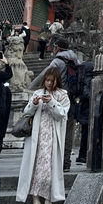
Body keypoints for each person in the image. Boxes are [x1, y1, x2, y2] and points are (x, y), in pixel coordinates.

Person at [16, 69, 70, 204]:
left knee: (47, 170)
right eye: (47, 80)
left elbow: (62, 114)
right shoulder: (37, 93)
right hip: (36, 136)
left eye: (52, 81)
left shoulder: (62, 95)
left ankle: (48, 200)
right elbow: (26, 112)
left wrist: (51, 102)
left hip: (52, 136)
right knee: (33, 168)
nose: (49, 84)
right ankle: (35, 202)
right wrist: (34, 104)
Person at [30, 37, 80, 171]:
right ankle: (66, 162)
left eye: (54, 47)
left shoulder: (57, 61)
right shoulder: (75, 60)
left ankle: (52, 161)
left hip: (57, 97)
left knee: (54, 130)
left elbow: (45, 75)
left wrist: (32, 86)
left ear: (57, 47)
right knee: (68, 131)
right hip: (71, 97)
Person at [75, 60, 94, 165]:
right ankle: (83, 156)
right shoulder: (89, 78)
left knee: (85, 134)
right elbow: (86, 93)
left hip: (82, 108)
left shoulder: (81, 77)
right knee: (87, 134)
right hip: (87, 109)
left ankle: (82, 155)